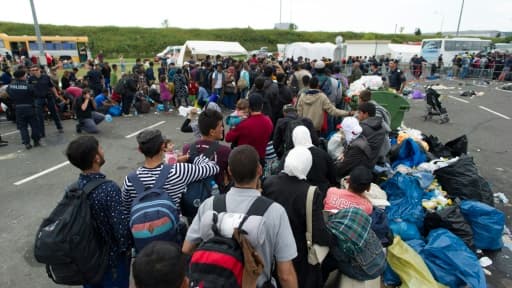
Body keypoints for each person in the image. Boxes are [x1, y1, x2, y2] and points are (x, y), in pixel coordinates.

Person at [182, 145, 299, 288]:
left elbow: (187, 248)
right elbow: (285, 275)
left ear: (229, 171)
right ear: (259, 170)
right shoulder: (275, 211)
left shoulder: (209, 204)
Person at [65, 136, 132, 288]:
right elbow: (121, 230)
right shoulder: (108, 189)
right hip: (111, 262)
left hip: (86, 261)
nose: (103, 151)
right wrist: (127, 250)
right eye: (100, 148)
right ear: (96, 158)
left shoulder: (72, 189)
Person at [263, 146, 331, 288]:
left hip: (271, 247)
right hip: (298, 253)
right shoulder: (311, 192)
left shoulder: (269, 183)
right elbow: (318, 232)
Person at [121, 129, 219, 214]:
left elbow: (126, 210)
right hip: (172, 228)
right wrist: (194, 157)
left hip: (142, 232)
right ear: (163, 146)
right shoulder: (178, 171)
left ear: (140, 150)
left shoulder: (130, 180)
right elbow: (213, 168)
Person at [182, 109, 231, 193]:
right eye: (220, 126)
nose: (223, 129)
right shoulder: (225, 151)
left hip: (191, 196)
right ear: (212, 132)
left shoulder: (187, 148)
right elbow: (230, 175)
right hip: (215, 198)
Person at [225, 94, 273, 166]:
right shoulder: (269, 122)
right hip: (259, 160)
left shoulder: (244, 123)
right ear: (262, 106)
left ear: (249, 107)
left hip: (243, 159)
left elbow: (228, 138)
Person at [292, 125, 337, 196]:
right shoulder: (323, 154)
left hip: (300, 195)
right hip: (322, 193)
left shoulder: (290, 155)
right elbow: (333, 176)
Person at [6, 69, 41, 149]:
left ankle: (26, 143)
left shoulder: (10, 86)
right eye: (25, 75)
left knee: (22, 127)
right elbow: (35, 94)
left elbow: (9, 95)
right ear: (22, 76)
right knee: (34, 125)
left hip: (18, 108)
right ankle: (36, 141)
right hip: (29, 107)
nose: (26, 76)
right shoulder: (28, 86)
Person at [28, 65, 64, 136]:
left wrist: (56, 95)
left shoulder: (46, 77)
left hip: (48, 98)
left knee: (54, 113)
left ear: (38, 70)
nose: (32, 71)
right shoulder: (31, 79)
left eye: (34, 70)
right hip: (38, 99)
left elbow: (52, 87)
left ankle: (59, 127)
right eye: (31, 70)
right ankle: (42, 132)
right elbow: (29, 89)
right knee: (39, 116)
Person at [335, 117, 372, 181]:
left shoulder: (356, 147)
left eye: (343, 131)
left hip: (354, 179)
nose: (341, 132)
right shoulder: (360, 137)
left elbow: (342, 168)